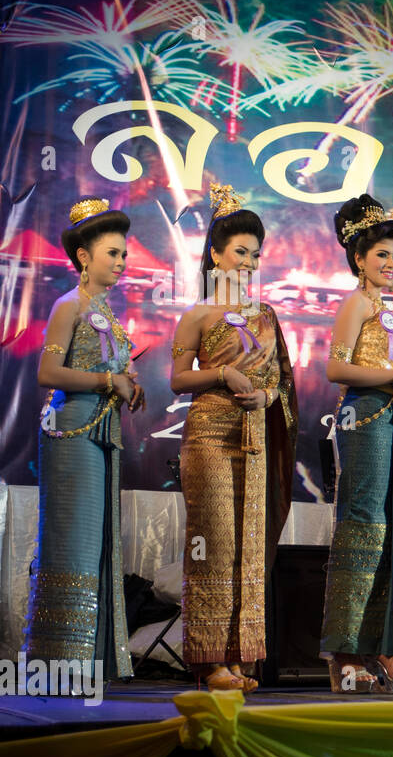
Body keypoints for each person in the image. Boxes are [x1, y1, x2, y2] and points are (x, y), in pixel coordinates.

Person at [170, 184, 297, 692]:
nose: (248, 261)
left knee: (248, 545)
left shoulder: (266, 315)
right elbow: (179, 380)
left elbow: (282, 385)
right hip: (209, 434)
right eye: (240, 251)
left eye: (255, 254)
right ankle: (208, 661)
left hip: (255, 436)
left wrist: (266, 400)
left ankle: (243, 657)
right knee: (214, 543)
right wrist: (223, 376)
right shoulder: (198, 315)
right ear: (216, 254)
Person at [24, 198, 145, 690]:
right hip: (71, 429)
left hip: (100, 432)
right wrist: (106, 381)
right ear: (83, 257)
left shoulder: (104, 313)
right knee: (71, 541)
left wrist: (128, 384)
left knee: (93, 543)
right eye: (112, 253)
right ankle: (59, 664)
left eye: (123, 255)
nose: (120, 262)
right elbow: (47, 373)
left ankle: (86, 661)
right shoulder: (68, 305)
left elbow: (110, 375)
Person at [318, 196, 393, 694]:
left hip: (390, 424)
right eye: (381, 254)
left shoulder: (385, 312)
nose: (390, 264)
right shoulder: (355, 303)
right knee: (362, 529)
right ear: (359, 259)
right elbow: (336, 369)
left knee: (390, 536)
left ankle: (383, 648)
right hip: (361, 421)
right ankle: (343, 652)